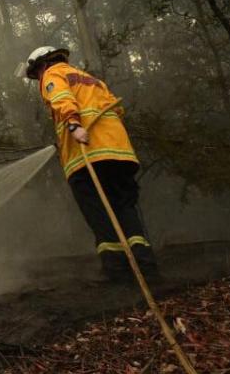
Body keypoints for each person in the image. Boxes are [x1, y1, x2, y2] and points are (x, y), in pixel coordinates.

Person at [20, 46, 159, 282]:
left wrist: (73, 125)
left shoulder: (53, 75)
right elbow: (117, 109)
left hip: (87, 154)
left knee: (98, 212)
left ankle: (117, 271)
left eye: (36, 74)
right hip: (120, 152)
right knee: (124, 206)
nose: (38, 80)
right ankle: (145, 266)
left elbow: (61, 99)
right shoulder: (91, 79)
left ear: (42, 65)